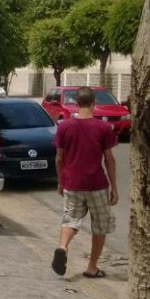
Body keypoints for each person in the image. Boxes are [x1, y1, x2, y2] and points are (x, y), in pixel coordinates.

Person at [50, 86, 119, 278]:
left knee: (70, 219)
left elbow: (58, 158)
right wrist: (114, 187)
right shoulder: (104, 128)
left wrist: (61, 181)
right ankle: (92, 267)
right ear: (94, 103)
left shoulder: (64, 126)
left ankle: (62, 247)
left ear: (76, 104)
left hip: (72, 183)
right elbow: (109, 159)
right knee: (100, 225)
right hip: (97, 183)